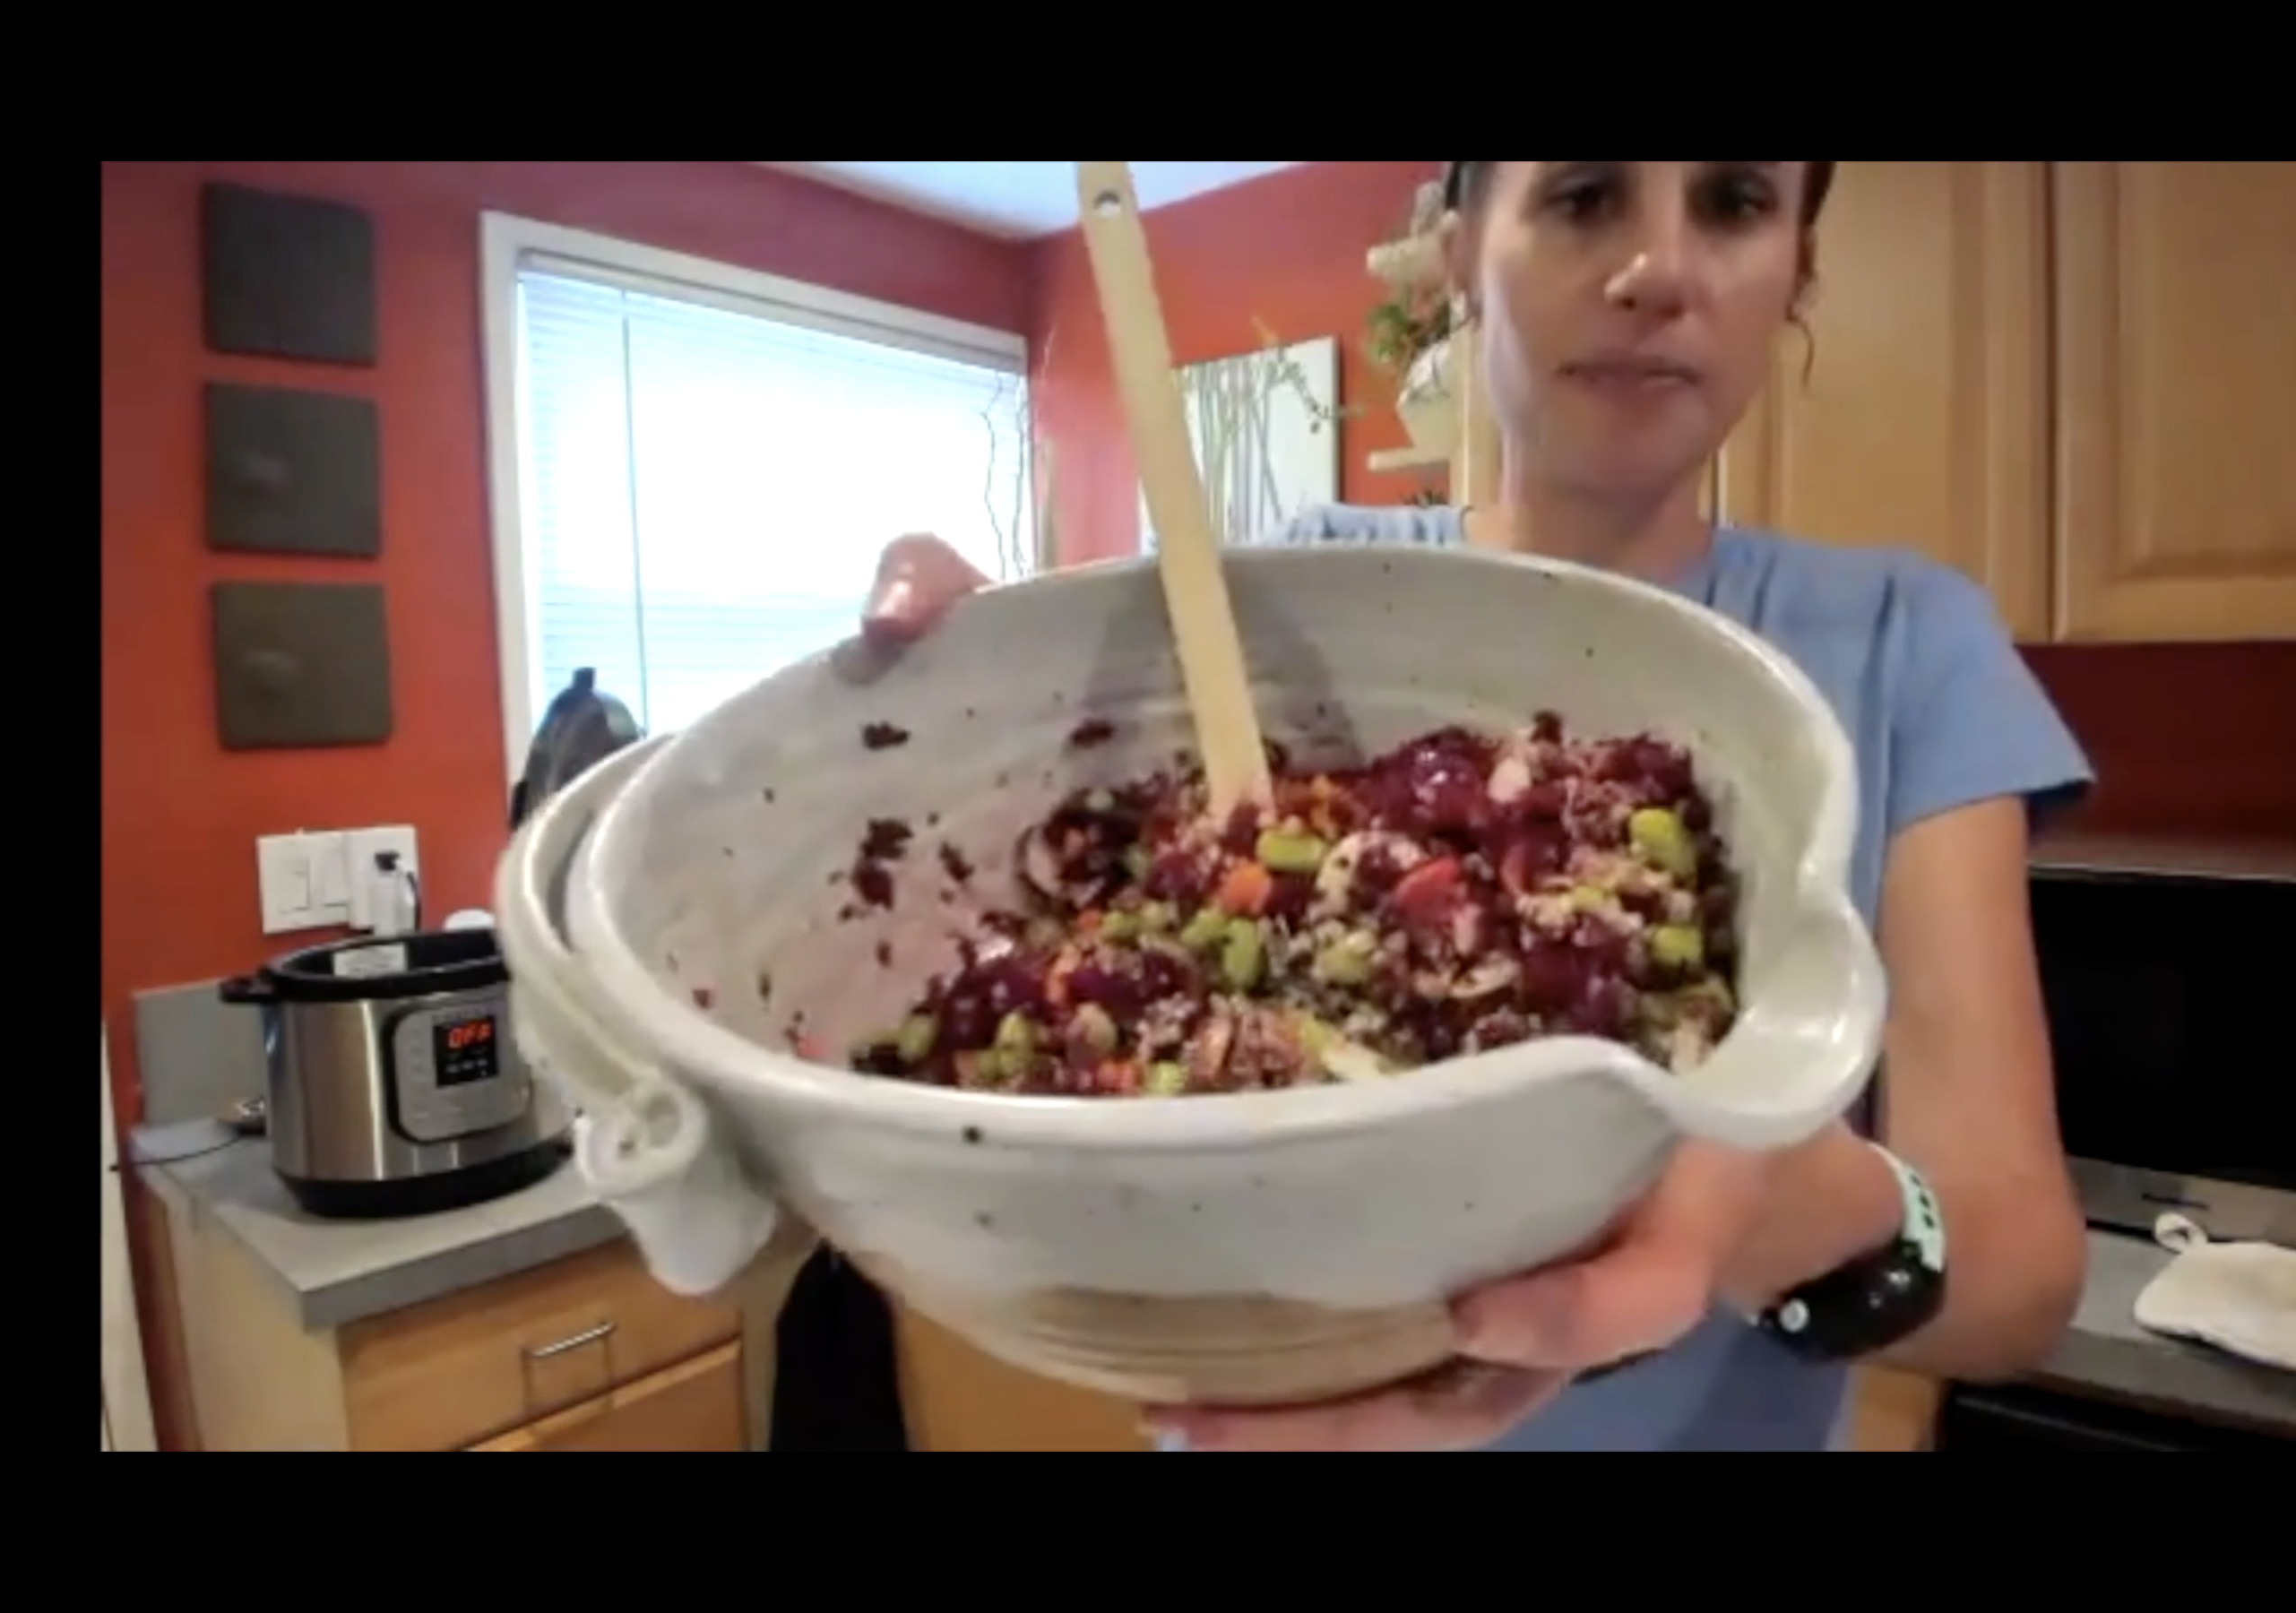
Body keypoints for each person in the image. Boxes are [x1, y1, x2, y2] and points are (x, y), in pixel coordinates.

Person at [859, 161, 2093, 1453]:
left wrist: (1749, 1185)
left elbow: (2014, 1284)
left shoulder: (1905, 647)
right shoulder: (1295, 599)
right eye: (1584, 194)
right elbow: (1090, 918)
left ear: (1798, 271)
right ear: (1457, 257)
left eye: (1733, 202)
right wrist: (965, 697)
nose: (1659, 269)